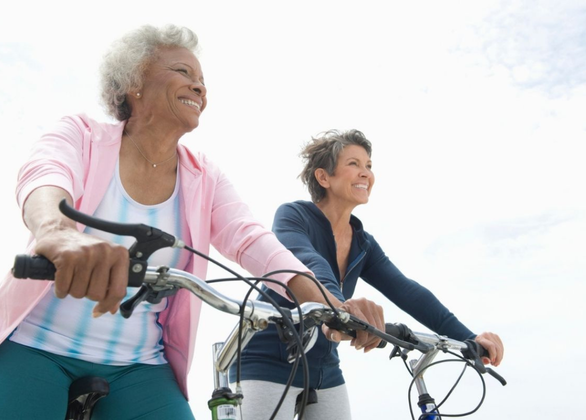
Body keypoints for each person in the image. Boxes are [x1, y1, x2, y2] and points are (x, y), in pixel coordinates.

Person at [0, 26, 384, 419]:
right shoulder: (81, 135)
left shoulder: (204, 177)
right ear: (134, 80)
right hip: (37, 345)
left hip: (139, 366)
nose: (199, 88)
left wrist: (329, 305)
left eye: (202, 81)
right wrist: (57, 233)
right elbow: (45, 175)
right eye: (184, 73)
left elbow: (252, 240)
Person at [232, 129, 505, 419]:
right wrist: (343, 309)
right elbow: (309, 263)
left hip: (325, 370)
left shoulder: (363, 243)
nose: (365, 173)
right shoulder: (293, 216)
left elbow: (407, 291)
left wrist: (469, 339)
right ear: (324, 177)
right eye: (354, 164)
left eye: (369, 166)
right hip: (266, 360)